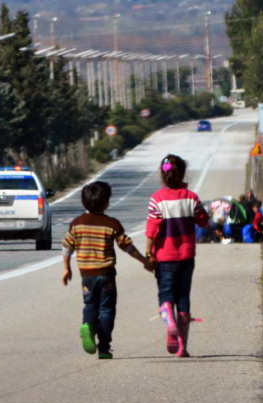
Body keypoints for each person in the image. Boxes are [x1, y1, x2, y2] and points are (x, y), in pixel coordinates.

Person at [62, 181, 154, 360]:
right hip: (106, 275)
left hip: (86, 276)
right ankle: (104, 347)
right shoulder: (111, 224)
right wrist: (144, 260)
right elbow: (127, 247)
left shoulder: (76, 224)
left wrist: (67, 268)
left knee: (90, 305)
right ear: (106, 203)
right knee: (106, 309)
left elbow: (67, 247)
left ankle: (88, 325)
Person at [146, 154, 210, 358]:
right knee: (183, 297)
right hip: (187, 257)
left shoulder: (157, 199)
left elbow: (151, 230)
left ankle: (169, 322)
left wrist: (149, 253)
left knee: (166, 294)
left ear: (162, 175)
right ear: (182, 173)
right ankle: (182, 346)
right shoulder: (191, 197)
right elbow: (204, 222)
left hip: (164, 258)